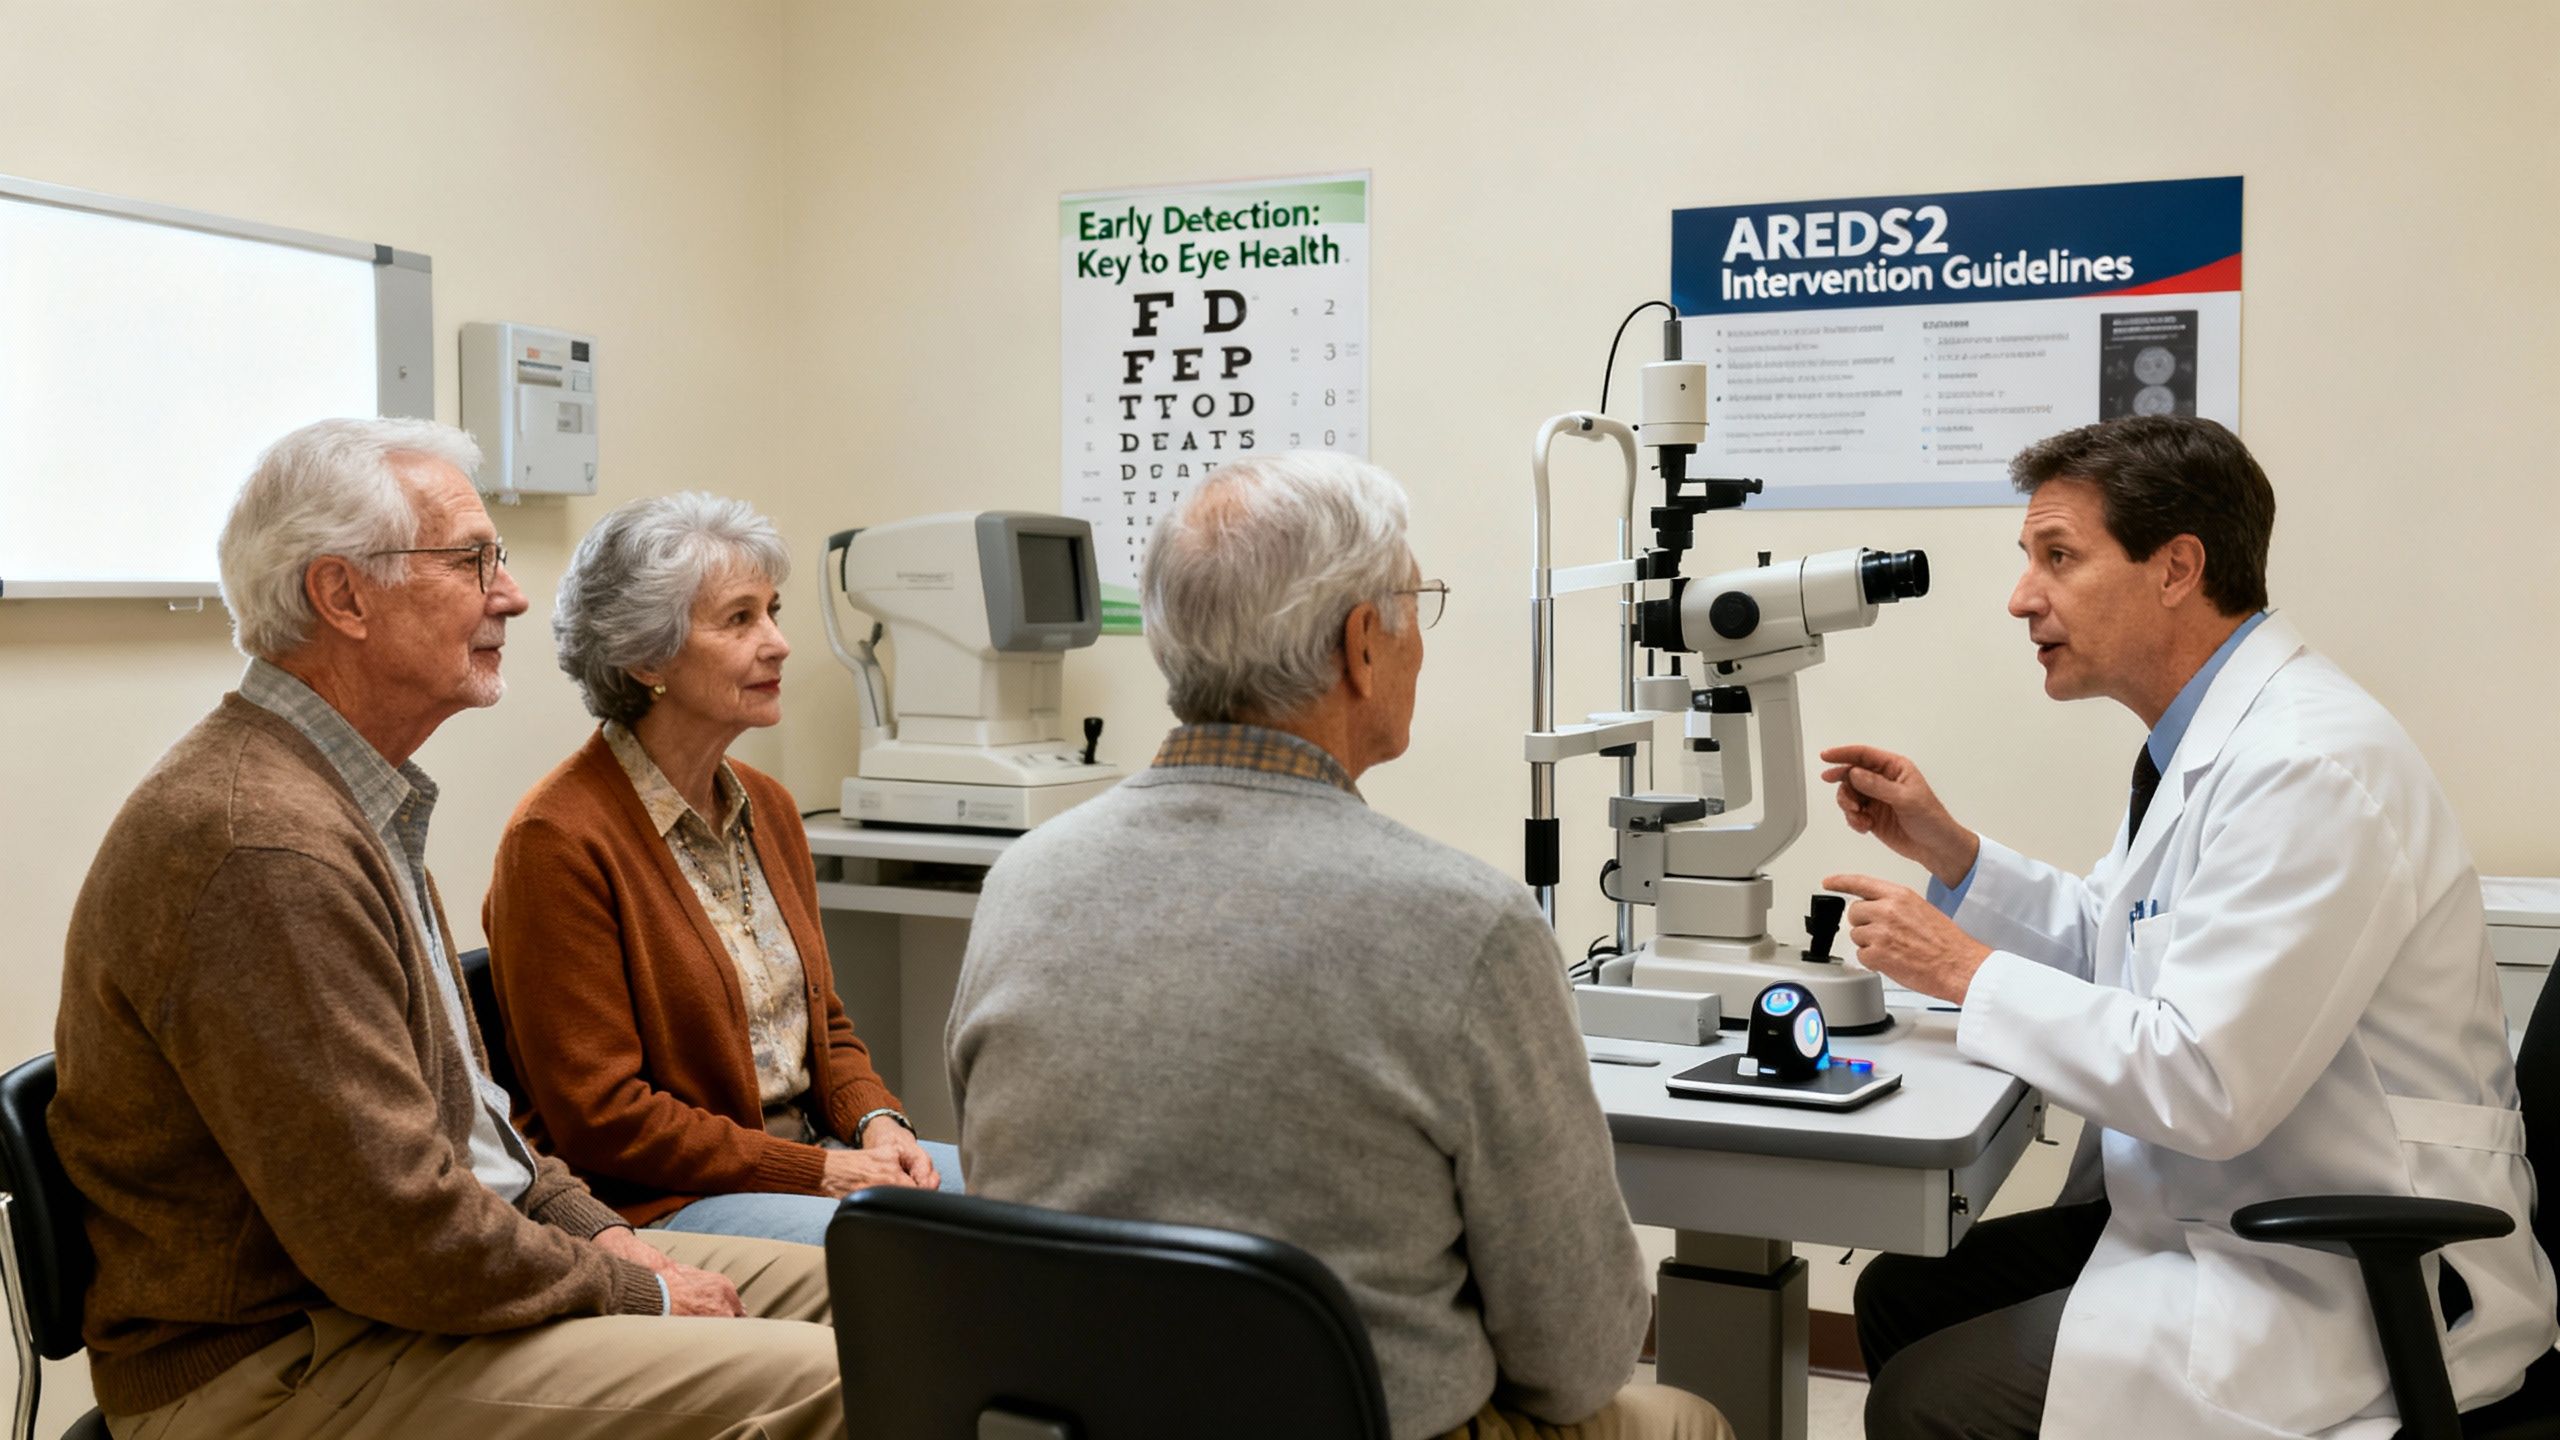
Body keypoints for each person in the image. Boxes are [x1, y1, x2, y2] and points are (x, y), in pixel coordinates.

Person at [51, 420, 842, 1440]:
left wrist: (609, 1240)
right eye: (472, 561)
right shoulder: (264, 845)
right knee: (849, 1380)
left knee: (913, 1308)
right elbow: (394, 1236)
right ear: (342, 597)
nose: (509, 595)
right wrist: (634, 1288)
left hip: (416, 1290)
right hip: (285, 1360)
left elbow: (485, 1135)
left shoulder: (347, 799)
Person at [946, 453, 1730, 1440]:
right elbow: (1575, 1357)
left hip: (1066, 1420)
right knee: (1682, 1418)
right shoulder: (1468, 925)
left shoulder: (1025, 879)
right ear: (1363, 644)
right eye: (1417, 605)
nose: (1420, 643)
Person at [1821, 416, 2556, 1440]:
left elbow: (2203, 1081)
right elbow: (2122, 947)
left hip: (2337, 1267)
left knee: (1926, 1398)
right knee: (1903, 1293)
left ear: (2176, 569)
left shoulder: (2304, 767)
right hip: (2225, 1215)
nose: (2020, 595)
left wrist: (1966, 970)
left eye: (2058, 557)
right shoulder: (2205, 744)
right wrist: (1957, 858)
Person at [484, 492, 958, 1249]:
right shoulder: (557, 839)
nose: (778, 643)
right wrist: (818, 1174)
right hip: (665, 1200)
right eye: (740, 620)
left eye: (772, 611)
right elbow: (601, 1117)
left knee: (1036, 1206)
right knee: (941, 1254)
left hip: (808, 1160)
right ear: (645, 658)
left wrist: (879, 1122)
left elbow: (822, 1026)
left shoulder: (765, 805)